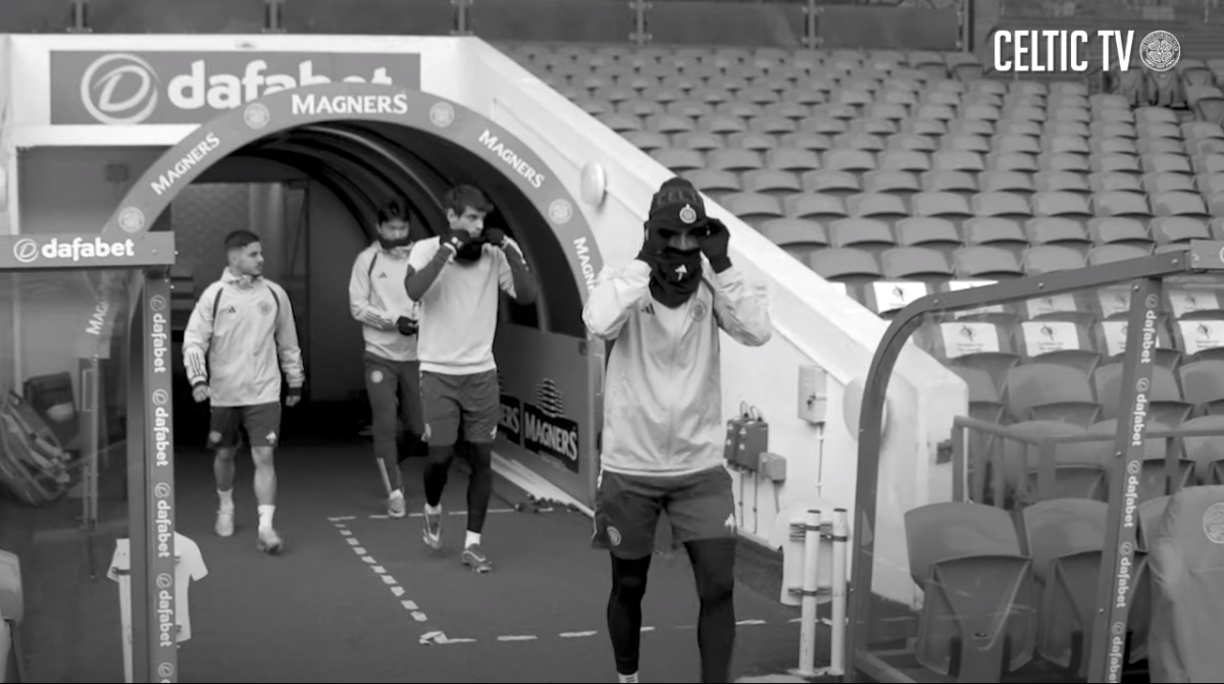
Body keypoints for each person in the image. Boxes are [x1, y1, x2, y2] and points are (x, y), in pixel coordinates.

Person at [583, 178, 772, 684]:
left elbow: (757, 331)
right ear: (653, 234)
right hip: (630, 468)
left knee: (718, 588)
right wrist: (645, 260)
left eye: (695, 236)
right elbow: (598, 322)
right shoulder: (623, 277)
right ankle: (628, 678)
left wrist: (725, 264)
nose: (684, 248)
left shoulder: (713, 282)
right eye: (672, 235)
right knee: (629, 585)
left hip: (700, 469)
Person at [404, 185, 537, 573]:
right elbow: (413, 289)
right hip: (438, 371)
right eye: (471, 218)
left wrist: (510, 247)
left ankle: (473, 544)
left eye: (483, 219)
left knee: (481, 458)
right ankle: (432, 506)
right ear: (451, 216)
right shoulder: (427, 249)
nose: (479, 226)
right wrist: (448, 249)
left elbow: (527, 295)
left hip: (481, 372)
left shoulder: (495, 254)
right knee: (441, 457)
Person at [183, 229, 305, 555]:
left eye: (261, 253)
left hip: (265, 392)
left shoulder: (275, 294)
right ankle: (225, 505)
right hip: (225, 394)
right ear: (235, 258)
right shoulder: (215, 295)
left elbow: (288, 342)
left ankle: (266, 528)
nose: (261, 259)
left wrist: (295, 380)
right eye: (254, 254)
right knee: (225, 454)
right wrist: (198, 379)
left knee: (264, 456)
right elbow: (194, 340)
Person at [349, 200, 425, 518]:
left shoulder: (422, 256)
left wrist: (421, 320)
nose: (397, 233)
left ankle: (394, 453)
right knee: (385, 423)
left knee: (423, 428)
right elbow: (357, 306)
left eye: (402, 227)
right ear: (379, 228)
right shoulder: (366, 260)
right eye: (391, 228)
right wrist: (393, 321)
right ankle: (395, 491)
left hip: (416, 356)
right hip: (379, 355)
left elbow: (435, 293)